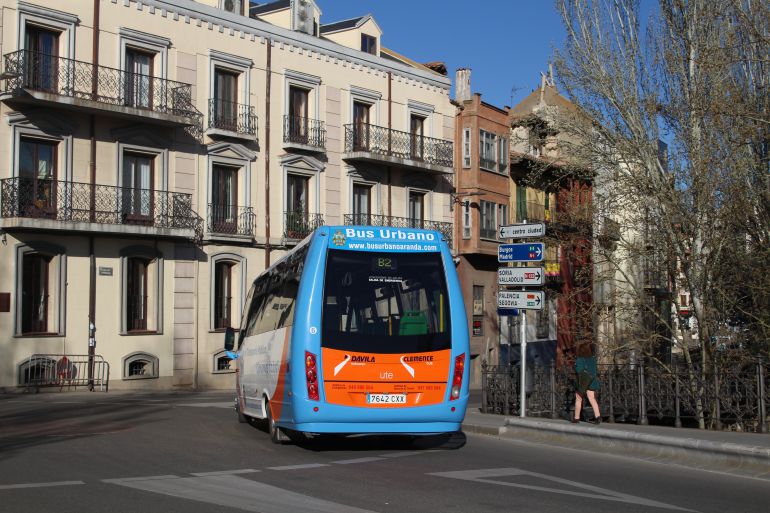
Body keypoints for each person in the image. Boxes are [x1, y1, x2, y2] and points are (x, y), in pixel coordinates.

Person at [572, 342, 602, 424]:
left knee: (578, 398)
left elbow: (578, 370)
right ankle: (597, 416)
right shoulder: (593, 359)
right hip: (591, 381)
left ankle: (576, 418)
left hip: (583, 382)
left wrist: (575, 366)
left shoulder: (580, 359)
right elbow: (595, 370)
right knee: (592, 399)